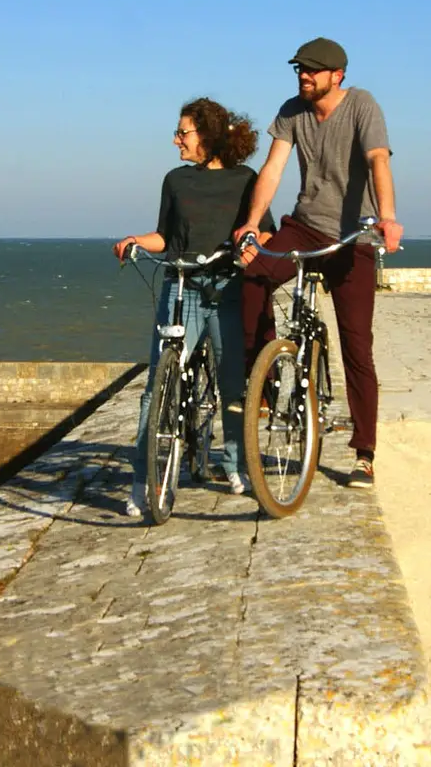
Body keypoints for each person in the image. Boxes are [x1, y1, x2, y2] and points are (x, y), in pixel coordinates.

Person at [233, 37, 402, 490]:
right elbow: (273, 169)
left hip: (353, 237)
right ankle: (264, 384)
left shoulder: (362, 106)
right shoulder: (292, 110)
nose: (303, 77)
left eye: (311, 71)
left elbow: (378, 160)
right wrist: (252, 223)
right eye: (299, 71)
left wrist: (386, 218)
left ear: (337, 75)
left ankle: (364, 453)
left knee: (356, 347)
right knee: (252, 274)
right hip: (305, 225)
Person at [115, 97, 271, 517]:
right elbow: (165, 237)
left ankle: (235, 462)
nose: (176, 140)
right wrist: (134, 241)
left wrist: (250, 248)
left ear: (208, 135)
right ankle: (141, 482)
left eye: (183, 132)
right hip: (179, 286)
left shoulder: (245, 179)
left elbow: (264, 233)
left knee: (232, 386)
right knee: (156, 390)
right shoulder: (176, 180)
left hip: (225, 289)